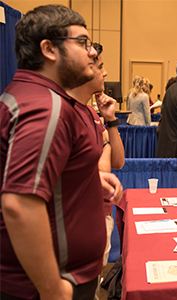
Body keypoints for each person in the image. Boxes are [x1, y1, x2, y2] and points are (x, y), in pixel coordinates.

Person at [0, 5, 122, 300]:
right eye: (82, 43)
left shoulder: (40, 98)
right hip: (50, 284)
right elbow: (20, 203)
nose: (93, 53)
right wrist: (53, 289)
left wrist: (88, 180)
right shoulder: (45, 107)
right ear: (49, 49)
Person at [67, 42, 125, 300]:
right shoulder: (68, 113)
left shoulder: (92, 113)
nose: (105, 73)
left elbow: (119, 162)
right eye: (100, 67)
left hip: (101, 214)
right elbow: (103, 170)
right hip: (82, 219)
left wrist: (109, 120)